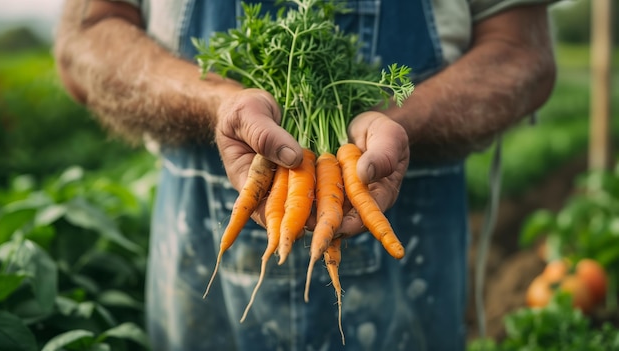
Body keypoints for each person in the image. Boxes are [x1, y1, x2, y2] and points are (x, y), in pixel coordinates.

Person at [53, 0, 557, 350]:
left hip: (414, 262)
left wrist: (397, 122)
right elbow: (88, 35)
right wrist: (219, 104)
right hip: (195, 249)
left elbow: (523, 53)